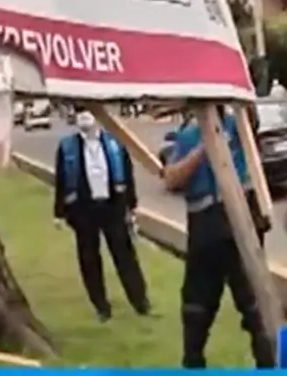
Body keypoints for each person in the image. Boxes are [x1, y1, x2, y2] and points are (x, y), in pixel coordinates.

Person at [161, 105, 274, 369]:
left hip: (241, 221)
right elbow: (171, 179)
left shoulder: (240, 124)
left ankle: (267, 364)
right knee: (196, 307)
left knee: (255, 306)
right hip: (206, 228)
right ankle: (193, 362)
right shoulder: (189, 134)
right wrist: (204, 147)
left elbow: (251, 116)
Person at [53, 107, 150, 321]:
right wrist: (59, 212)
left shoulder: (114, 143)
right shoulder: (67, 147)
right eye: (79, 112)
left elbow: (127, 173)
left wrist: (131, 205)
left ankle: (140, 302)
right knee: (89, 259)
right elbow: (61, 179)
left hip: (112, 206)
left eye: (87, 111)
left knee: (124, 255)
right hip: (83, 209)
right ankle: (101, 307)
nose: (84, 116)